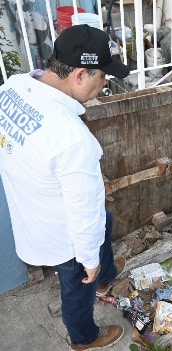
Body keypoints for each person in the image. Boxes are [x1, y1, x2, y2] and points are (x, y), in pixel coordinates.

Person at [0, 24, 129, 350]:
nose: (104, 84)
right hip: (63, 235)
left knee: (105, 220)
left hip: (34, 211)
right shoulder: (72, 141)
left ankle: (106, 276)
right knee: (78, 287)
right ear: (80, 75)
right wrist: (89, 259)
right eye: (103, 77)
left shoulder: (13, 88)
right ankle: (84, 337)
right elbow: (83, 213)